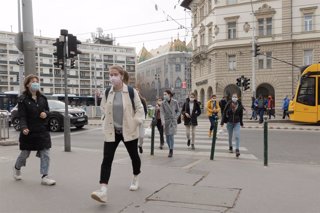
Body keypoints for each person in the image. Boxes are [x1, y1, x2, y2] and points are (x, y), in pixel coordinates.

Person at [91, 65, 145, 203]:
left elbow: (140, 109)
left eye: (115, 74)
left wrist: (135, 122)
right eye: (110, 74)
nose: (112, 77)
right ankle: (103, 190)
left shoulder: (131, 91)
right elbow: (103, 107)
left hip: (128, 130)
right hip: (112, 131)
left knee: (134, 156)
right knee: (107, 159)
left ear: (121, 76)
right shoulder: (108, 91)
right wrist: (106, 119)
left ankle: (135, 178)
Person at [12, 74, 56, 186]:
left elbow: (48, 111)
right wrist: (24, 127)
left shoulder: (43, 98)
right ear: (27, 85)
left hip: (42, 130)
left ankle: (45, 176)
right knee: (25, 154)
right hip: (29, 132)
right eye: (32, 81)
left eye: (37, 81)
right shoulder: (22, 100)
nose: (35, 83)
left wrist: (45, 114)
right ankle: (17, 167)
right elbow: (22, 116)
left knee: (45, 153)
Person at [160, 90, 180, 157]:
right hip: (166, 121)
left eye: (165, 94)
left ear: (169, 94)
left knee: (171, 135)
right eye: (164, 94)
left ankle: (171, 150)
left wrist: (175, 117)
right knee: (167, 137)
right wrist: (162, 121)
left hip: (173, 121)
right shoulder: (163, 103)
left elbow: (178, 111)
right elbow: (162, 113)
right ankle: (169, 147)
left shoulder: (175, 102)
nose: (164, 95)